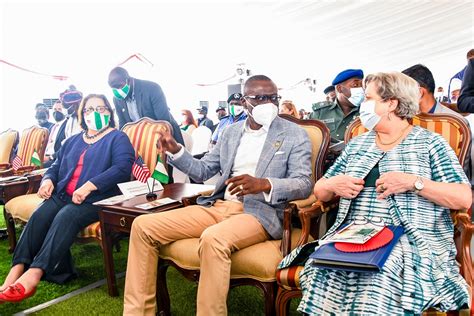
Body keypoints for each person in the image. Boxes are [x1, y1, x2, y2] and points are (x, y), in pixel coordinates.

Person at [278, 72, 471, 314]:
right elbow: (320, 190)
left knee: (380, 273)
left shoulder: (431, 144)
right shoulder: (358, 144)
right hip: (354, 235)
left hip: (409, 238)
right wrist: (333, 185)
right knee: (322, 269)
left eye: (368, 97)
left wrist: (415, 183)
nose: (362, 104)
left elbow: (463, 197)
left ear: (392, 103)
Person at [123, 75, 313, 315]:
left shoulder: (294, 134)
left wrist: (264, 184)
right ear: (245, 102)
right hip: (218, 206)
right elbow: (203, 170)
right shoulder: (230, 132)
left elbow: (304, 183)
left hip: (258, 213)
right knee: (142, 226)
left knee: (214, 239)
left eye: (273, 97)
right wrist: (176, 151)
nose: (269, 103)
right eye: (260, 98)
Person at [0, 94, 134, 303]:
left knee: (66, 216)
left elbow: (122, 168)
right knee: (40, 215)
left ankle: (34, 274)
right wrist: (47, 180)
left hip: (98, 199)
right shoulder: (72, 141)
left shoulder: (117, 138)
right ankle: (14, 272)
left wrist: (90, 186)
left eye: (100, 108)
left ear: (109, 112)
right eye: (89, 110)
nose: (95, 113)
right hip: (64, 194)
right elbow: (54, 166)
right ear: (82, 115)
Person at [108, 66, 184, 145]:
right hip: (141, 141)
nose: (118, 91)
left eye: (120, 86)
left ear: (128, 80)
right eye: (114, 88)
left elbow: (163, 121)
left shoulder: (151, 88)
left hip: (165, 137)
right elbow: (123, 125)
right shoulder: (117, 99)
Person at [311, 69, 364, 142]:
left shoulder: (366, 111)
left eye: (362, 86)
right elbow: (308, 138)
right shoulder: (321, 112)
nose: (360, 89)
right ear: (339, 89)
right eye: (355, 85)